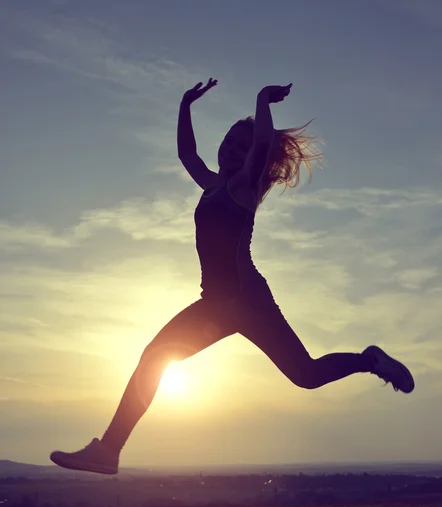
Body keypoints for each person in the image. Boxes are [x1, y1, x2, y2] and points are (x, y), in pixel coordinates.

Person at [50, 78, 414, 475]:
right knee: (154, 357)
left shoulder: (245, 186)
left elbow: (260, 147)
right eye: (230, 141)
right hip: (216, 305)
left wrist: (262, 100)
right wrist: (185, 105)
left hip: (247, 301)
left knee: (305, 375)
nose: (235, 149)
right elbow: (187, 154)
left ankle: (370, 360)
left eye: (243, 146)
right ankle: (109, 451)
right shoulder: (212, 185)